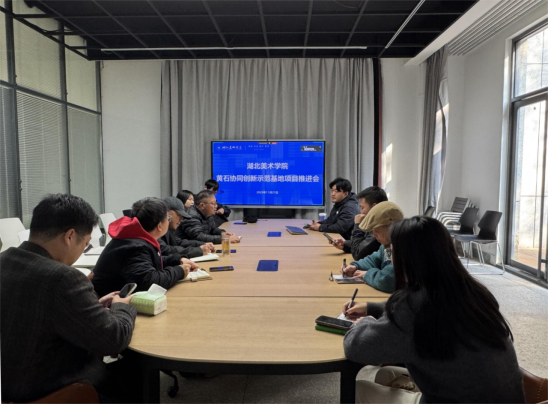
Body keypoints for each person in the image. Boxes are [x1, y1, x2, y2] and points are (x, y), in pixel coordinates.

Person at [342, 216, 525, 404]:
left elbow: (355, 348)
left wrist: (364, 322)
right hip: (503, 397)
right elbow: (425, 309)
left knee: (360, 388)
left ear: (407, 258)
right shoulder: (473, 291)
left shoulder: (414, 308)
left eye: (392, 252)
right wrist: (371, 308)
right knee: (385, 374)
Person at [0, 194, 137, 403]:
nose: (83, 251)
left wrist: (92, 307)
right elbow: (113, 340)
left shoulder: (5, 260)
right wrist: (121, 306)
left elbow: (30, 314)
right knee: (135, 372)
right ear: (70, 236)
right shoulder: (63, 278)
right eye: (86, 244)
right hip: (50, 390)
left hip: (8, 385)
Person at [92, 197, 198, 297]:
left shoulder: (135, 236)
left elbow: (150, 262)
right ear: (159, 226)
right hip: (108, 303)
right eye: (168, 218)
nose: (169, 221)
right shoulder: (134, 247)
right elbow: (149, 282)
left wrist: (177, 260)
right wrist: (179, 271)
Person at [341, 201, 403, 293]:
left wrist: (367, 274)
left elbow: (387, 279)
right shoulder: (387, 244)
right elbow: (373, 260)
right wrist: (356, 266)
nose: (374, 235)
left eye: (376, 230)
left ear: (391, 227)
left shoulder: (403, 246)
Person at [330, 186, 388, 260]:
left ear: (374, 207)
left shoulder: (380, 228)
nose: (361, 212)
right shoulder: (375, 221)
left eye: (362, 208)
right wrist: (345, 244)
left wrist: (358, 225)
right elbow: (363, 244)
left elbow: (358, 254)